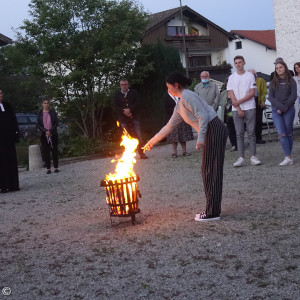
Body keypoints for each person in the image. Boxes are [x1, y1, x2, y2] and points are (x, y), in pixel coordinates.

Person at [143, 71, 228, 222]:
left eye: (169, 87)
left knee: (210, 170)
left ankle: (213, 212)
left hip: (214, 129)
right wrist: (151, 142)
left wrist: (200, 139)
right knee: (207, 170)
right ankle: (212, 210)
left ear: (176, 85)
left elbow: (203, 115)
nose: (168, 90)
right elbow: (169, 127)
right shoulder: (180, 104)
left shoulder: (188, 95)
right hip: (210, 130)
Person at [227, 55, 262, 167]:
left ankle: (253, 156)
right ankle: (241, 157)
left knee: (251, 132)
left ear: (244, 63)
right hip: (236, 109)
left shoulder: (250, 76)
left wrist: (239, 102)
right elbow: (230, 93)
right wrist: (238, 107)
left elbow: (252, 93)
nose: (238, 64)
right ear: (234, 64)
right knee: (239, 133)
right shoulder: (231, 77)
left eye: (240, 62)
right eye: (236, 63)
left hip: (250, 107)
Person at [268, 60, 297, 166]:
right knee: (281, 133)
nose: (278, 69)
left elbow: (293, 96)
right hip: (276, 110)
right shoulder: (273, 82)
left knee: (288, 133)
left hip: (289, 109)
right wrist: (280, 107)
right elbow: (270, 97)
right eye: (277, 68)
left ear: (285, 68)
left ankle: (289, 157)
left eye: (280, 67)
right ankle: (288, 156)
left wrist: (284, 107)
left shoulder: (291, 81)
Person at [113, 78, 148, 159]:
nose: (124, 86)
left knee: (138, 135)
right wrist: (123, 111)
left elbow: (138, 102)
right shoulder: (117, 95)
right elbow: (115, 106)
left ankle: (141, 153)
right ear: (120, 85)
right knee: (126, 136)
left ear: (128, 85)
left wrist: (130, 110)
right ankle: (128, 155)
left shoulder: (134, 93)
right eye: (122, 84)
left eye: (125, 84)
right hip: (123, 118)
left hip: (134, 117)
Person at [0, 89, 20, 193]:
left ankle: (13, 185)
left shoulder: (7, 106)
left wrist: (16, 133)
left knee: (11, 160)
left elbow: (13, 120)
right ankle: (3, 186)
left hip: (9, 138)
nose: (0, 95)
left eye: (1, 93)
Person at [163, 92, 193, 158]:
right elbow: (166, 107)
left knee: (183, 135)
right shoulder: (167, 96)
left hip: (183, 117)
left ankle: (184, 151)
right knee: (173, 136)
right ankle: (174, 153)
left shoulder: (180, 94)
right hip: (172, 118)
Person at [36, 99, 59, 174]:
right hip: (44, 134)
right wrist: (45, 131)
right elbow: (38, 124)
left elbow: (56, 122)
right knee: (46, 152)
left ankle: (56, 167)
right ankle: (48, 168)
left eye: (47, 103)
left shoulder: (52, 112)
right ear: (42, 104)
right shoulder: (39, 113)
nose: (46, 104)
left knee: (54, 151)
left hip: (53, 134)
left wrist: (50, 131)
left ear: (49, 104)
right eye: (44, 103)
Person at [248, 69, 268, 144]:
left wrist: (263, 100)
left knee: (258, 121)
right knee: (250, 122)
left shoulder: (261, 80)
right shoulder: (247, 81)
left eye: (254, 74)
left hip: (258, 102)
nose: (253, 75)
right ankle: (251, 139)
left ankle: (259, 138)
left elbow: (264, 91)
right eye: (251, 74)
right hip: (249, 103)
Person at [219, 80, 237, 151]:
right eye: (227, 83)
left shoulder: (237, 91)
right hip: (227, 116)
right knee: (230, 130)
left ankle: (239, 144)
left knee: (238, 130)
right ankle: (234, 145)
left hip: (236, 114)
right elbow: (222, 104)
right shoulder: (223, 93)